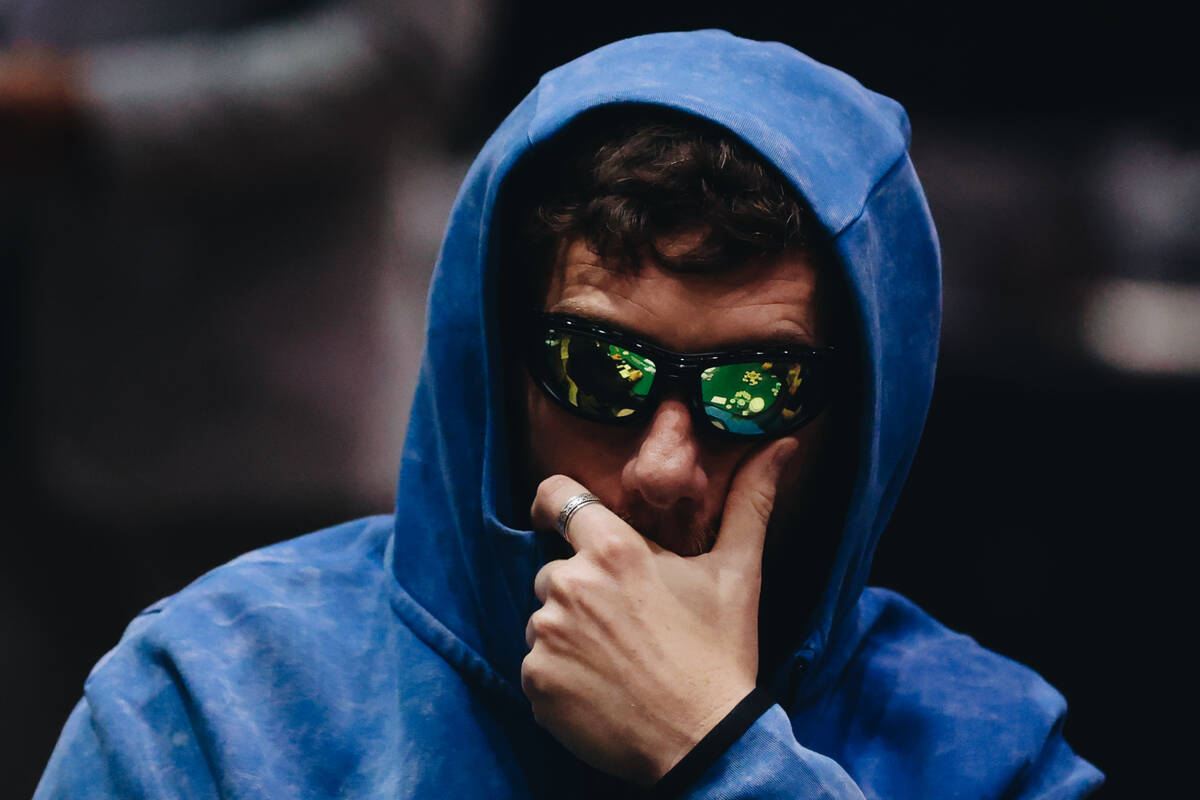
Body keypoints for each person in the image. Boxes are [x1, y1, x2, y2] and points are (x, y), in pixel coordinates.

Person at [35, 30, 1104, 799]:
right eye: (599, 367)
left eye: (754, 388)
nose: (665, 468)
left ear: (859, 412)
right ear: (499, 367)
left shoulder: (987, 752)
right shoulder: (218, 701)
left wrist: (721, 753)